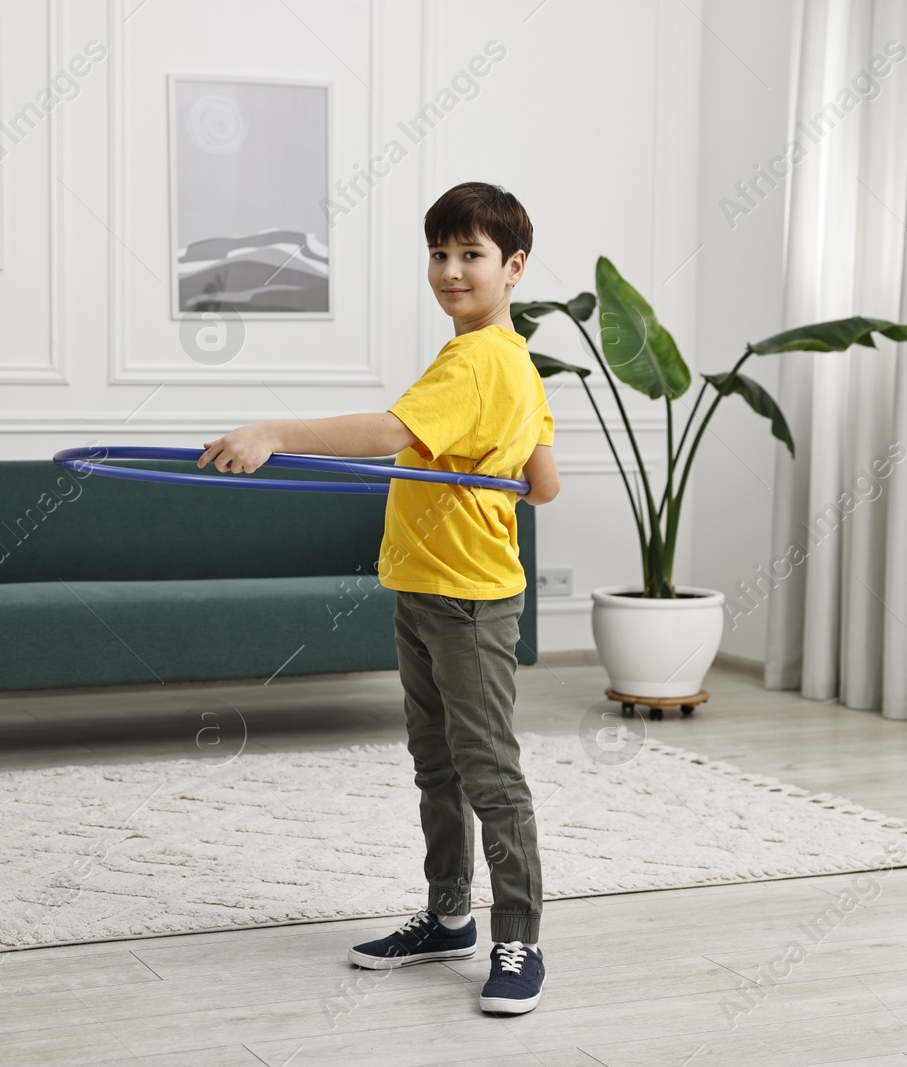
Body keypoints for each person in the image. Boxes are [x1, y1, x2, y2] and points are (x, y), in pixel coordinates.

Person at [198, 181, 559, 1015]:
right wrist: (482, 473)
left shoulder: (477, 360)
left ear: (514, 266)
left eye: (471, 255)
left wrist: (275, 432)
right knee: (438, 763)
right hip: (429, 588)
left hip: (467, 599)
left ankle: (520, 936)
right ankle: (447, 914)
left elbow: (394, 431)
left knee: (487, 771)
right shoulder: (515, 363)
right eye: (439, 253)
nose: (450, 270)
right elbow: (543, 486)